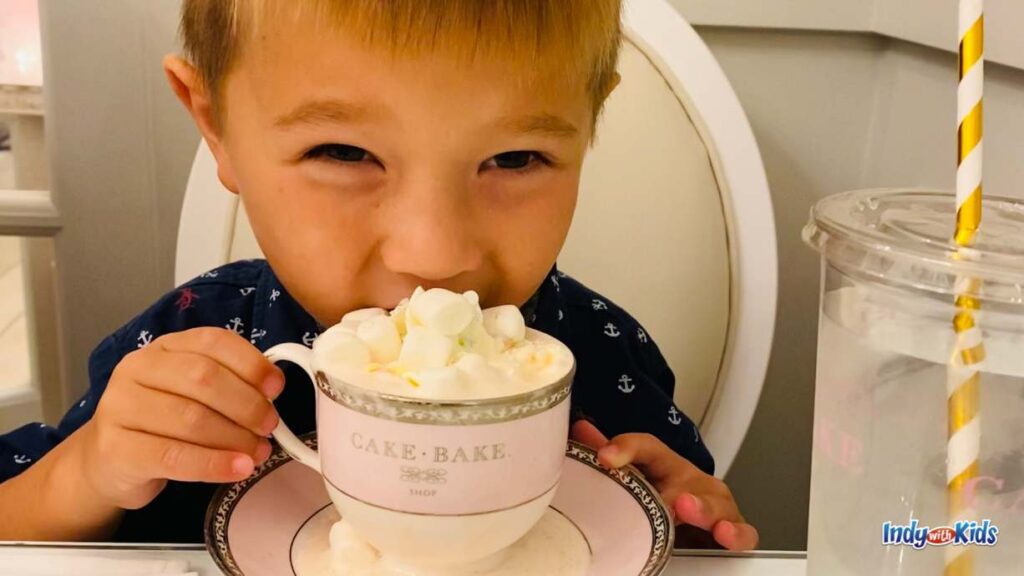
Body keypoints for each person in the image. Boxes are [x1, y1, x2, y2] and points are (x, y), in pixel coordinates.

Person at [0, 0, 758, 549]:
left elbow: (696, 530)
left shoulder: (604, 359)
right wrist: (88, 475)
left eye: (516, 158)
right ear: (214, 125)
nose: (432, 254)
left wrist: (687, 527)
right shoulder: (191, 342)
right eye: (344, 153)